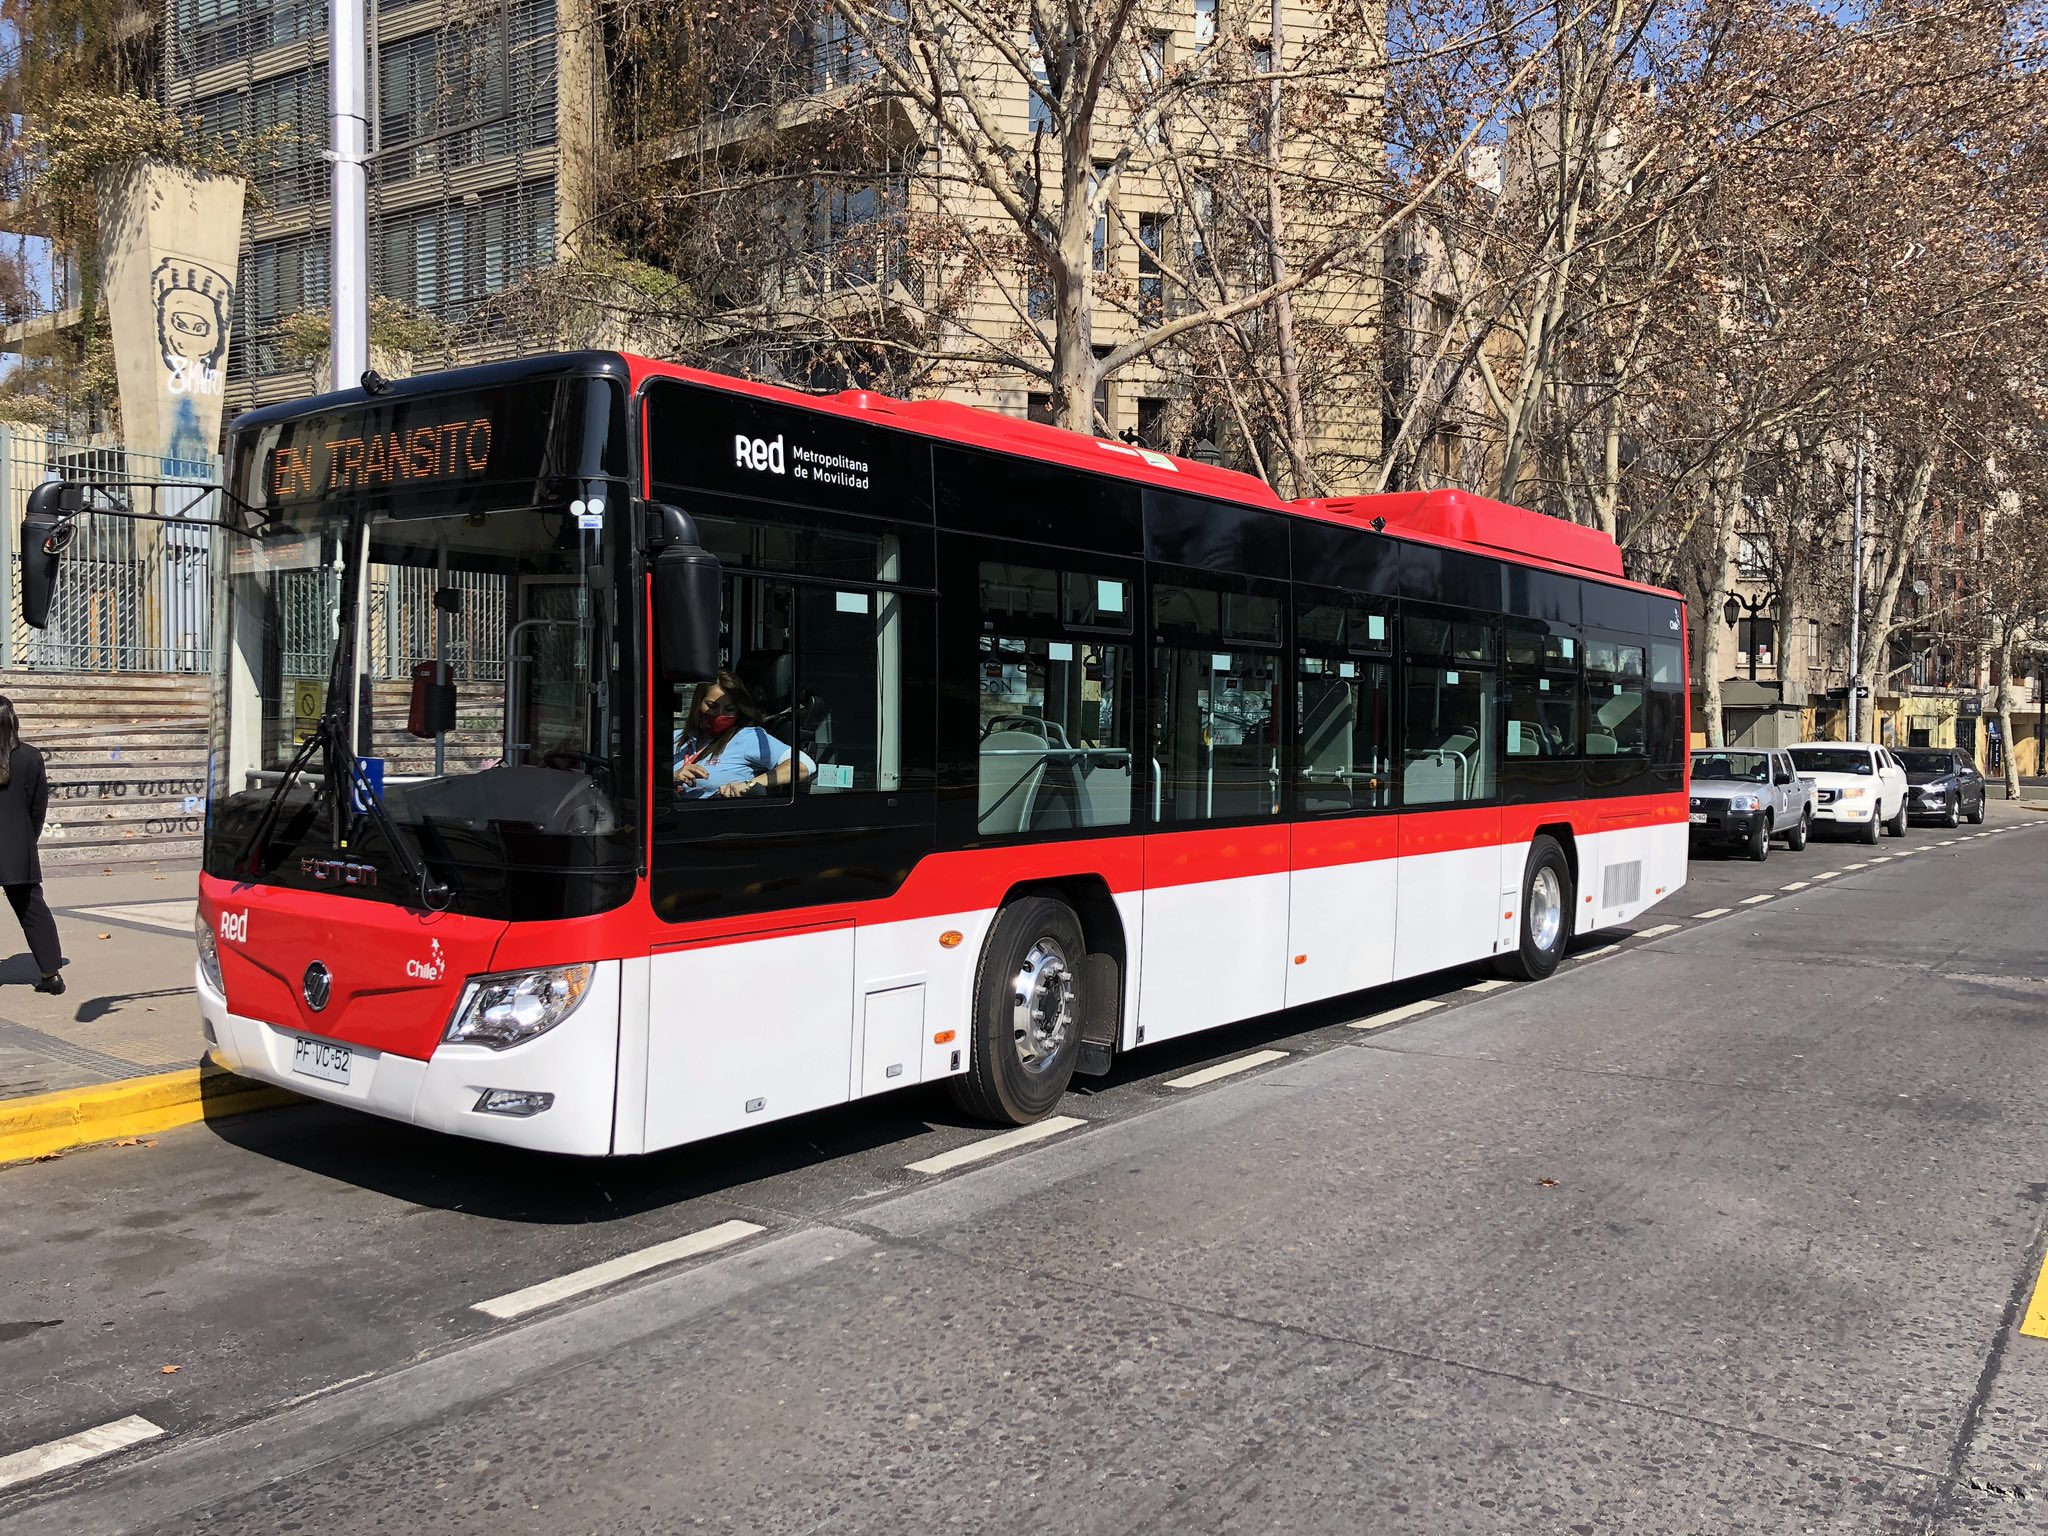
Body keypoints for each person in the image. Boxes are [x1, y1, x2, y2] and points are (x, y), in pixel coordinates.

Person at [0, 696, 63, 995]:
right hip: (18, 844)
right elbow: (38, 806)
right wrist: (28, 838)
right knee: (32, 909)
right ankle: (51, 973)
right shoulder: (30, 756)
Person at [674, 670, 814, 799]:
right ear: (698, 704)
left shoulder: (746, 738)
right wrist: (672, 777)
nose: (719, 715)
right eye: (712, 706)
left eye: (729, 709)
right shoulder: (675, 738)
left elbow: (804, 765)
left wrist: (750, 784)